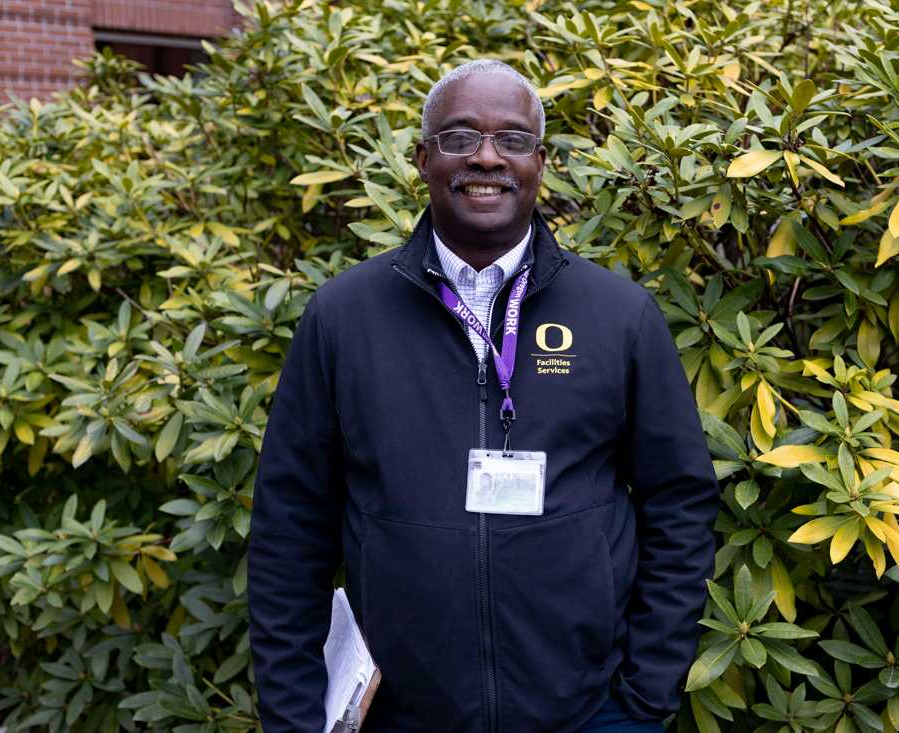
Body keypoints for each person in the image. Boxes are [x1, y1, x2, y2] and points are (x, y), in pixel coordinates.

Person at [248, 59, 719, 733]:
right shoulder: (343, 317)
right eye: (460, 137)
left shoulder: (618, 315)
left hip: (590, 714)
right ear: (422, 158)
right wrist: (295, 717)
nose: (488, 158)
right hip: (399, 718)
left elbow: (681, 501)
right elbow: (288, 530)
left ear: (541, 161)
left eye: (514, 139)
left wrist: (643, 698)